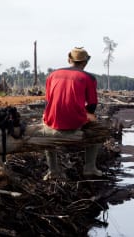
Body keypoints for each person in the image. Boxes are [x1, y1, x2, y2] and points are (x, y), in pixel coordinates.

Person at [42, 47, 102, 180]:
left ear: (69, 60)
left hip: (52, 121)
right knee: (98, 131)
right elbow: (92, 104)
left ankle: (53, 170)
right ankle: (90, 168)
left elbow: (47, 101)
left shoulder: (52, 75)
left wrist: (47, 116)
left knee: (45, 129)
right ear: (85, 62)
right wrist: (88, 116)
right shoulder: (88, 77)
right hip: (75, 122)